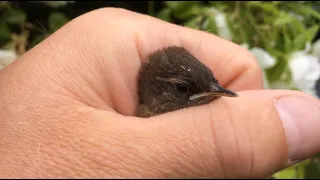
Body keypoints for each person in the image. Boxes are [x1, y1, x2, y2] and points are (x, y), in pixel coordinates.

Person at [0, 8, 319, 178]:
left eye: (213, 81)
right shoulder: (138, 121)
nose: (214, 92)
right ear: (155, 93)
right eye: (182, 89)